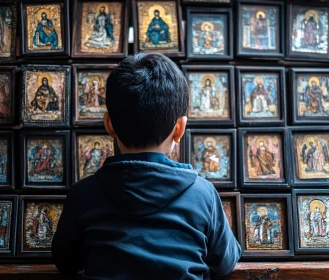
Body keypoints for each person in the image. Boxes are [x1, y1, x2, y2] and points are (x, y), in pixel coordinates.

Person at [52, 53, 241, 279]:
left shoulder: (83, 195)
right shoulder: (203, 195)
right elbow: (225, 262)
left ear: (109, 125)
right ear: (180, 129)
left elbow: (66, 262)